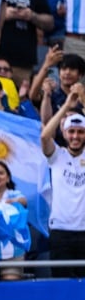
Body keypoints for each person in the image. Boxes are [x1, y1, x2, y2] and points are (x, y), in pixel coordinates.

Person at [40, 87, 85, 277]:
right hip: (60, 232)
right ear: (65, 134)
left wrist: (82, 99)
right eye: (71, 131)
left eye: (80, 132)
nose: (75, 136)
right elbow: (44, 136)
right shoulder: (57, 156)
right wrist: (68, 104)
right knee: (62, 286)